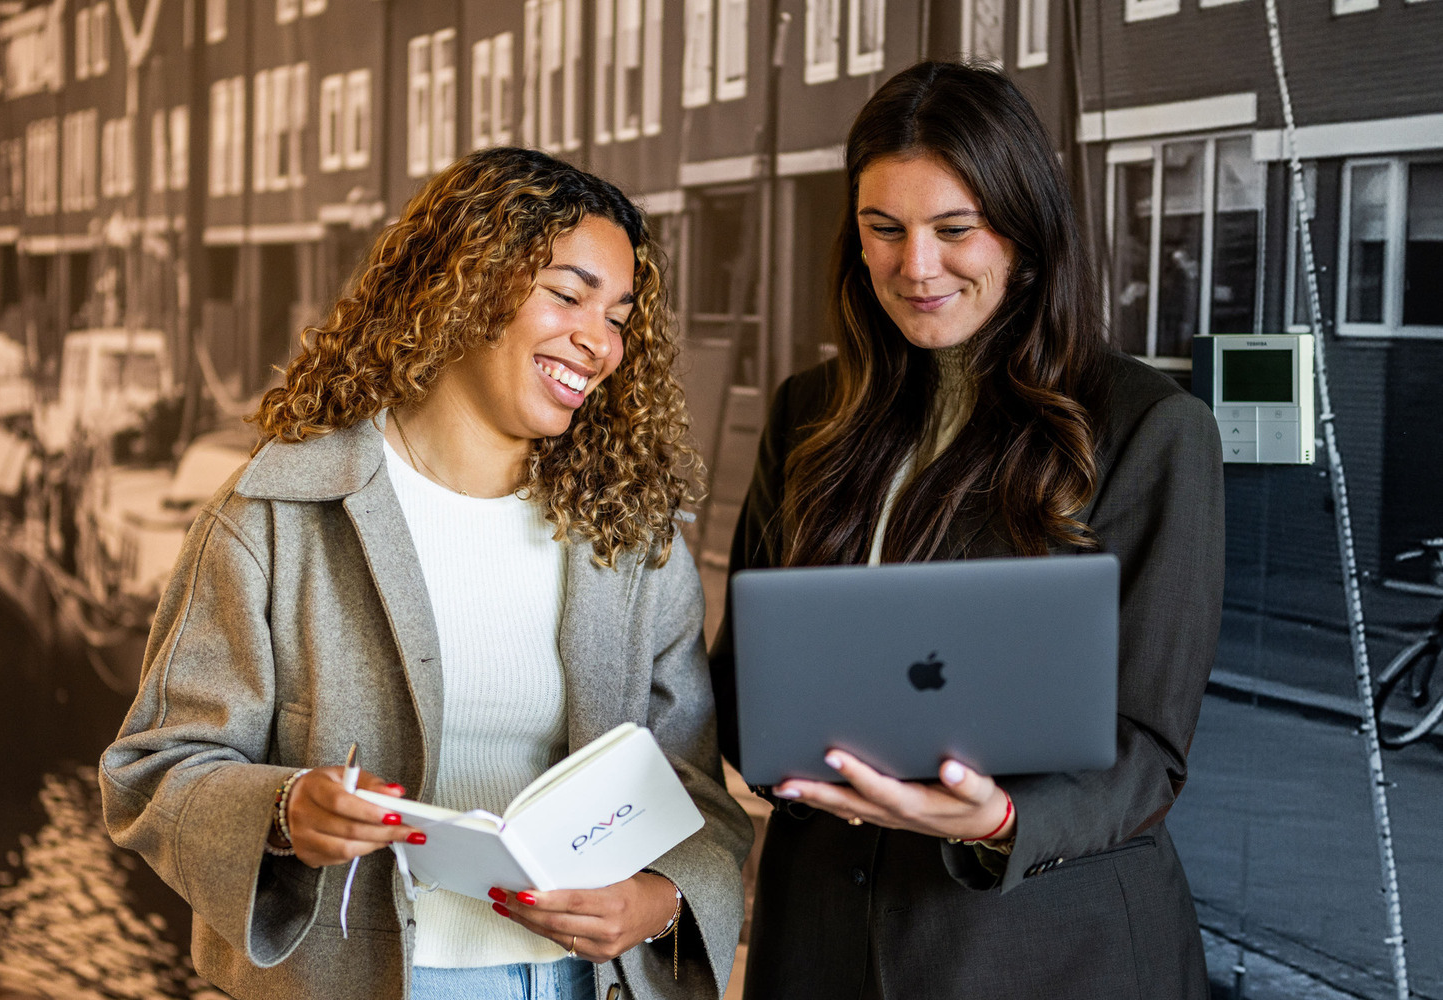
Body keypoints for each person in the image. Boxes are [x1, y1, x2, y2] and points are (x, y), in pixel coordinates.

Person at [101, 147, 751, 1000]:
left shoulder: (631, 539)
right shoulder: (275, 512)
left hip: (575, 985)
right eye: (567, 295)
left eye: (620, 316)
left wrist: (654, 902)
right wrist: (286, 811)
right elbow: (156, 767)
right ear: (466, 284)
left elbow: (694, 795)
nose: (600, 343)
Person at [710, 62, 1224, 999]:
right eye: (883, 229)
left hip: (1042, 950)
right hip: (821, 936)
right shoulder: (808, 413)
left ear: (1025, 236)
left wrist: (998, 820)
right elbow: (744, 681)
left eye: (956, 229)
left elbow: (1147, 752)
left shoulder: (1147, 427)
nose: (916, 266)